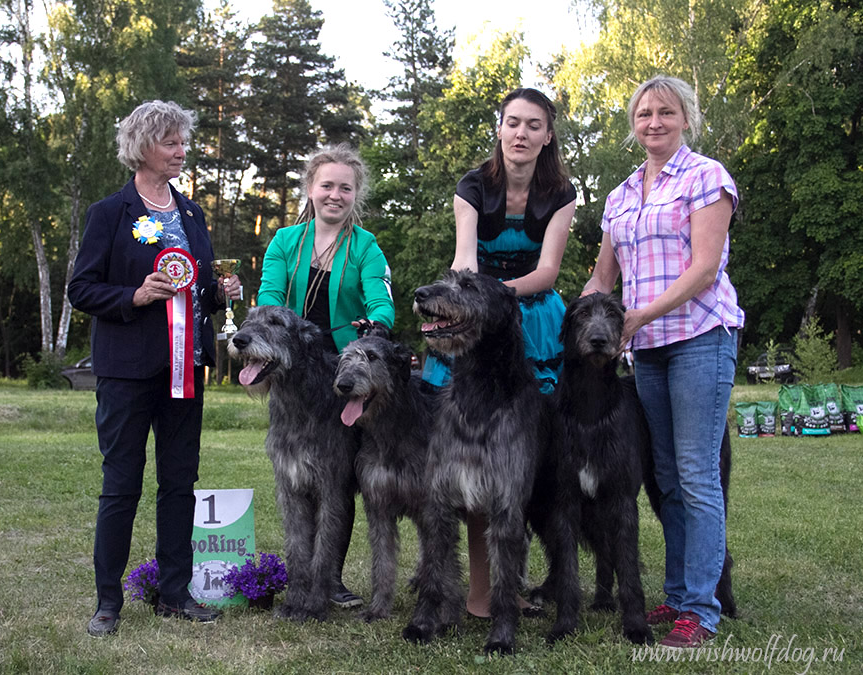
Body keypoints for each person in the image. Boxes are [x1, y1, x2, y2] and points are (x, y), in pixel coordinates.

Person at [581, 75, 744, 648]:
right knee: (668, 479)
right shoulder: (621, 194)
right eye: (644, 113)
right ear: (634, 122)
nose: (654, 122)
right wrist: (572, 325)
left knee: (698, 476)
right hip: (647, 351)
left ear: (685, 118)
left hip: (701, 335)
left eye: (666, 112)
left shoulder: (707, 177)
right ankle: (678, 596)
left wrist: (637, 316)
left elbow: (704, 268)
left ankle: (700, 609)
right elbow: (603, 277)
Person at [69, 100, 243, 637]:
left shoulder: (191, 214)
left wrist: (221, 292)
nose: (181, 151)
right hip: (126, 372)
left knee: (179, 483)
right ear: (143, 146)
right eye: (171, 142)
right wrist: (136, 294)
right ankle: (107, 603)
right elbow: (81, 289)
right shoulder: (108, 213)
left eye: (182, 142)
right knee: (121, 485)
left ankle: (174, 595)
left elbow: (197, 292)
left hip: (186, 369)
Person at [420, 88, 576, 618]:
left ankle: (547, 582)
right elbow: (465, 262)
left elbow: (549, 272)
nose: (521, 134)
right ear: (500, 128)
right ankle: (481, 596)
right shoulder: (472, 186)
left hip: (531, 319)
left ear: (547, 135)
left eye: (534, 125)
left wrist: (499, 299)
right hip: (474, 314)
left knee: (533, 460)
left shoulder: (561, 192)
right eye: (513, 123)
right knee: (473, 462)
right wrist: (477, 305)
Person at [257, 143, 395, 607]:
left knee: (336, 486)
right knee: (293, 485)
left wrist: (374, 325)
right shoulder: (284, 242)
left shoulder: (366, 246)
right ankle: (301, 581)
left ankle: (327, 581)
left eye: (345, 188)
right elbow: (270, 300)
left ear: (356, 195)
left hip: (342, 380)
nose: (335, 195)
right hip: (291, 377)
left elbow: (381, 302)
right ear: (310, 189)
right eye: (327, 185)